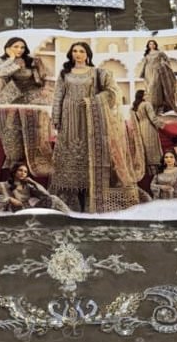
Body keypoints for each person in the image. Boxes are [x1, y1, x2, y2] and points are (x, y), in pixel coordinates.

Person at [50, 41, 142, 213]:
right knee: (69, 156)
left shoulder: (97, 73)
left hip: (91, 121)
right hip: (69, 119)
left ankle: (90, 200)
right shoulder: (64, 74)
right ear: (71, 54)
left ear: (88, 55)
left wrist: (91, 101)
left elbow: (113, 92)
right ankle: (71, 201)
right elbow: (58, 97)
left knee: (90, 155)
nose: (78, 54)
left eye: (81, 51)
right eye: (75, 51)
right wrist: (56, 118)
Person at [0, 37, 51, 172]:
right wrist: (12, 58)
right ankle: (15, 158)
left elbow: (43, 78)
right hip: (13, 94)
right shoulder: (4, 62)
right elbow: (0, 73)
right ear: (8, 48)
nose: (20, 50)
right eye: (16, 47)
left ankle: (33, 157)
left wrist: (44, 89)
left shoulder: (32, 61)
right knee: (11, 121)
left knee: (40, 113)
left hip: (31, 93)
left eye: (22, 47)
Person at [0, 161, 70, 214]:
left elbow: (46, 195)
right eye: (20, 170)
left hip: (28, 210)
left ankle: (69, 216)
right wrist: (9, 199)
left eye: (25, 172)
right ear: (14, 172)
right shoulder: (1, 185)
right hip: (14, 210)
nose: (23, 173)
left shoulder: (28, 186)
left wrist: (33, 182)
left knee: (53, 198)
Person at [137, 38, 177, 112]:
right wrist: (142, 73)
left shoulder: (159, 53)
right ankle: (151, 107)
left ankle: (157, 106)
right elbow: (145, 64)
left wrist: (163, 65)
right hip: (148, 72)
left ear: (155, 45)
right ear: (148, 45)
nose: (152, 45)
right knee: (149, 89)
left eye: (153, 44)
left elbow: (167, 60)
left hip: (156, 71)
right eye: (150, 44)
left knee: (155, 88)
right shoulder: (147, 54)